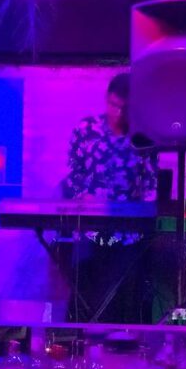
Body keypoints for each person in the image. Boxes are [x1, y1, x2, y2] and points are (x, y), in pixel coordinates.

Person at [62, 72, 159, 323]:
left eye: (123, 108)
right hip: (89, 228)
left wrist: (142, 211)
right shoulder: (86, 129)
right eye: (112, 104)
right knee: (85, 293)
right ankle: (81, 336)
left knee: (123, 298)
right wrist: (82, 195)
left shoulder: (143, 136)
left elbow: (151, 183)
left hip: (127, 232)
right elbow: (72, 173)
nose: (116, 113)